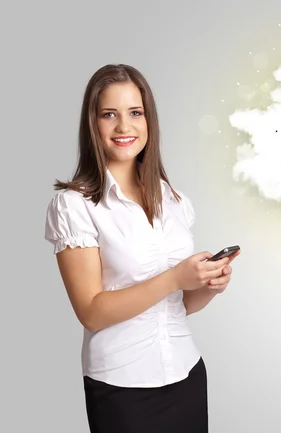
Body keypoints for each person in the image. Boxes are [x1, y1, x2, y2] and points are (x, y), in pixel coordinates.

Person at [44, 64, 240, 433]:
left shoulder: (175, 200)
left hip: (187, 374)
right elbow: (91, 312)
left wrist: (208, 286)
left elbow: (179, 305)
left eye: (135, 113)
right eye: (109, 115)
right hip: (122, 388)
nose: (124, 127)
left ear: (149, 120)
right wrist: (174, 277)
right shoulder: (74, 205)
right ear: (93, 124)